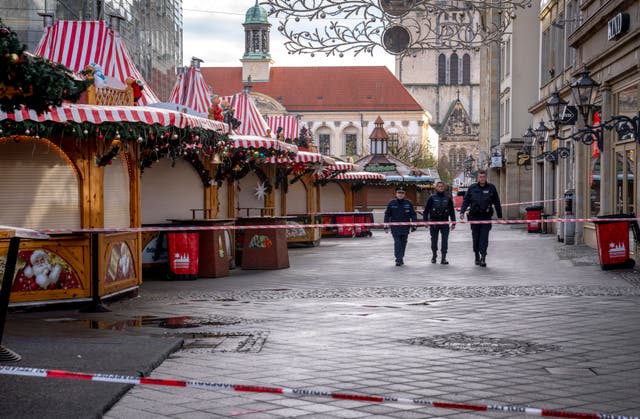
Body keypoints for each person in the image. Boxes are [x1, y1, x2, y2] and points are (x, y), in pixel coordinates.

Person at [459, 170, 502, 267]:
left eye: (483, 177)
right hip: (474, 217)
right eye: (480, 177)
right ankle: (476, 255)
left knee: (484, 238)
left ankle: (483, 257)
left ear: (486, 177)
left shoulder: (491, 188)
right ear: (478, 178)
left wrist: (499, 216)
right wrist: (462, 212)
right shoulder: (472, 188)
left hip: (486, 217)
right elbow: (466, 201)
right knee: (476, 238)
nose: (482, 178)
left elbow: (497, 202)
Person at [384, 185, 418, 266]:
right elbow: (387, 215)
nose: (400, 194)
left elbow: (413, 215)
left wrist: (414, 224)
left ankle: (400, 257)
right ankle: (398, 259)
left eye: (402, 193)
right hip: (395, 228)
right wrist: (385, 226)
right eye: (399, 192)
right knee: (397, 243)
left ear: (405, 194)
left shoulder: (408, 203)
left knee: (403, 243)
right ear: (396, 193)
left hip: (405, 228)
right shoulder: (391, 203)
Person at [424, 181, 456, 264]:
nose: (441, 188)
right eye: (439, 186)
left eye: (442, 186)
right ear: (436, 188)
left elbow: (452, 211)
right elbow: (426, 210)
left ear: (444, 188)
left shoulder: (448, 198)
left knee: (444, 240)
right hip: (434, 222)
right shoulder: (432, 198)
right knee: (434, 240)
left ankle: (443, 258)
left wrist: (453, 222)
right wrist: (425, 221)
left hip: (445, 221)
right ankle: (434, 256)